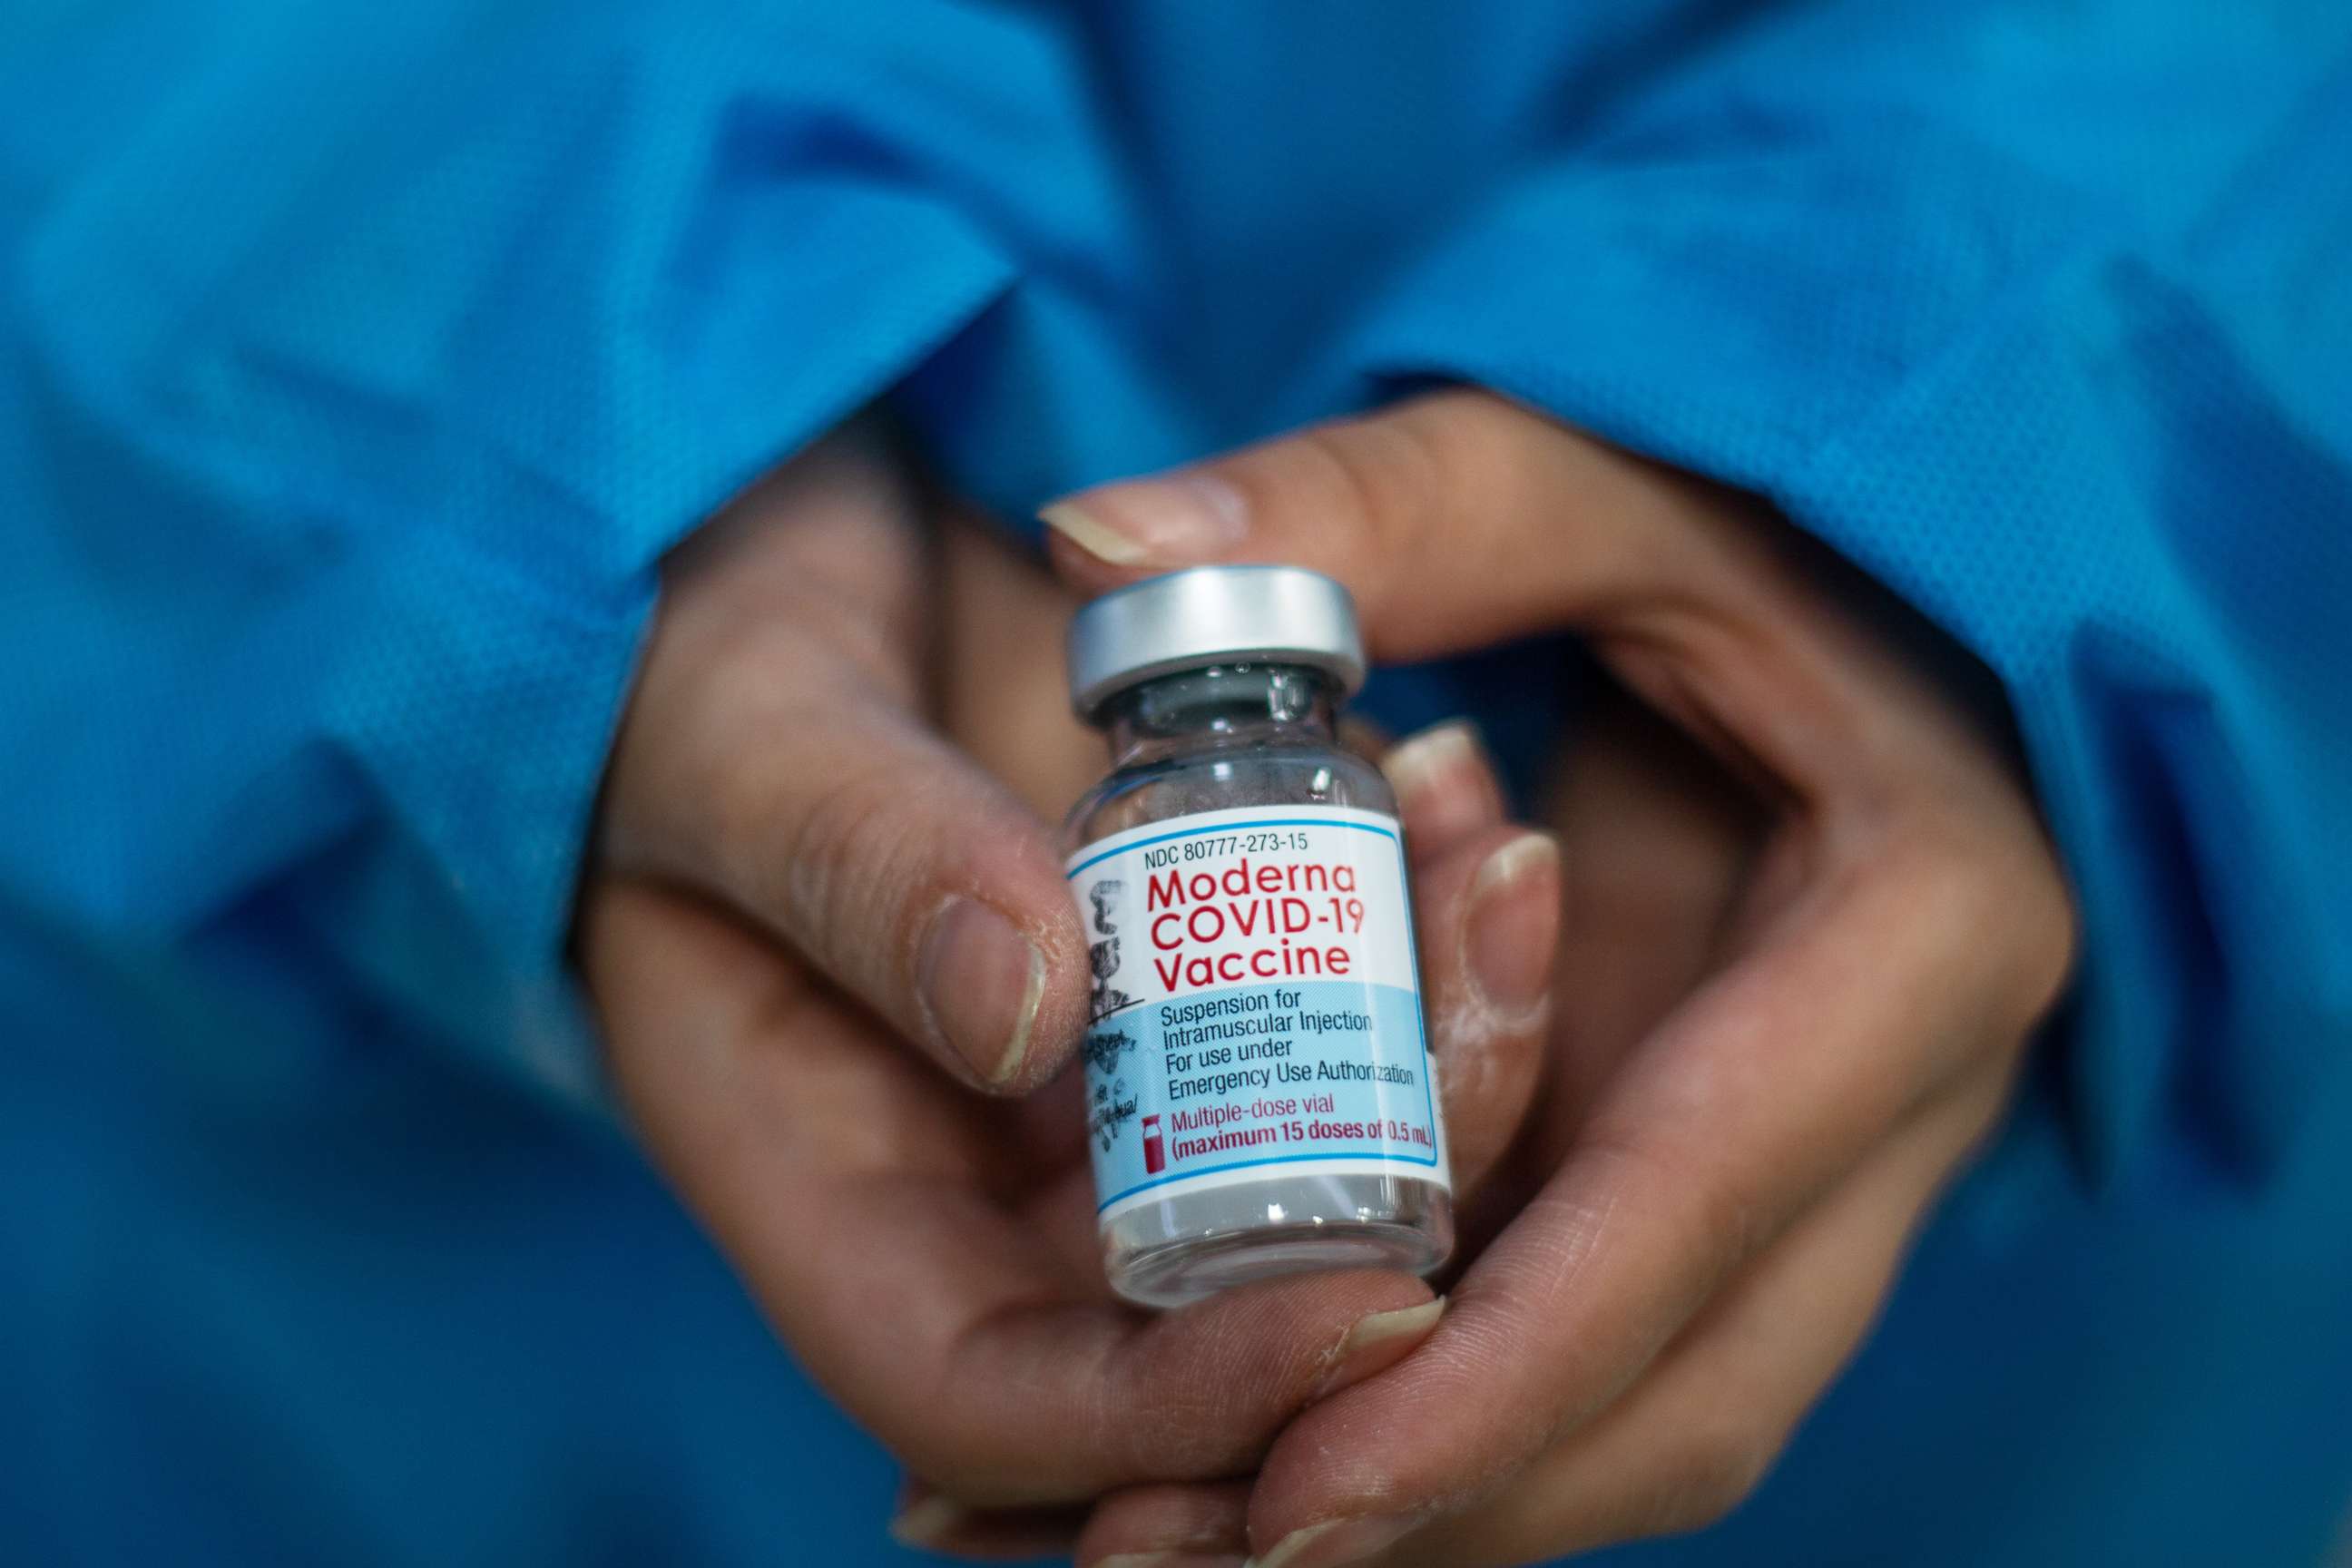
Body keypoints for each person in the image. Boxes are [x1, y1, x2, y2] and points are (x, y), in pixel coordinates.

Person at [2, 5, 2347, 1567]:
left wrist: (2012, 454)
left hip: (2033, 1393)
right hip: (369, 1321)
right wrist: (582, 470)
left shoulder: (1201, 809)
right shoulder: (1168, 817)